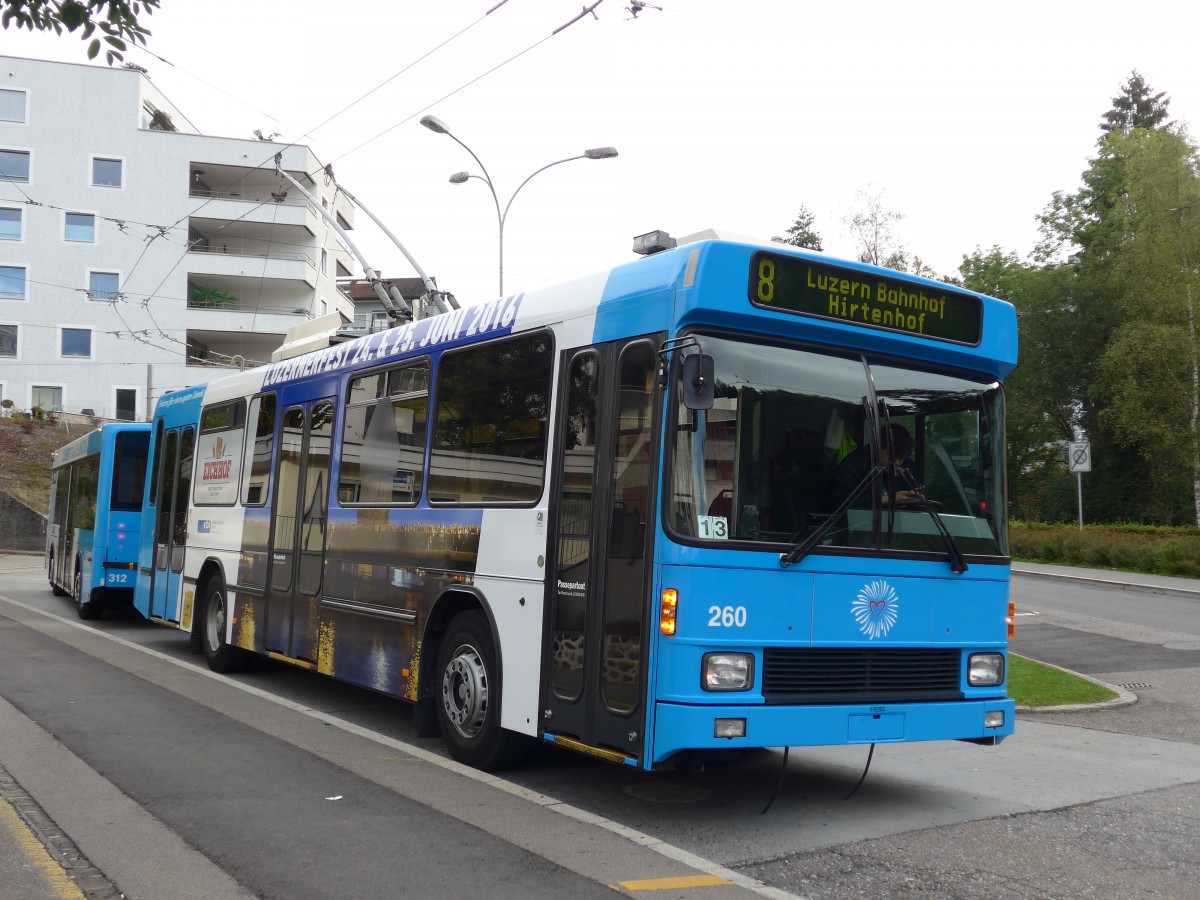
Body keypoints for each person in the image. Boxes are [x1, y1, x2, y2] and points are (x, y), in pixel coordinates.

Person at [829, 423, 920, 510]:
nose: (896, 463)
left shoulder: (907, 466)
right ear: (877, 448)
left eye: (900, 458)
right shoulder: (855, 464)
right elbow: (841, 502)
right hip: (858, 524)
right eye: (891, 456)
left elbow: (914, 497)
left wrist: (915, 498)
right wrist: (891, 499)